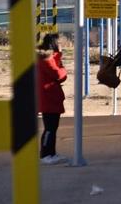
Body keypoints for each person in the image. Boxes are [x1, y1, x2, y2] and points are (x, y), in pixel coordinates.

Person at [36, 33, 68, 165]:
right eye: (59, 43)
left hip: (51, 97)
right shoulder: (46, 60)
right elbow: (59, 74)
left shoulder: (49, 58)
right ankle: (45, 154)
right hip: (49, 97)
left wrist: (59, 58)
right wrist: (62, 68)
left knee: (53, 127)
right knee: (49, 128)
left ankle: (51, 153)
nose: (61, 45)